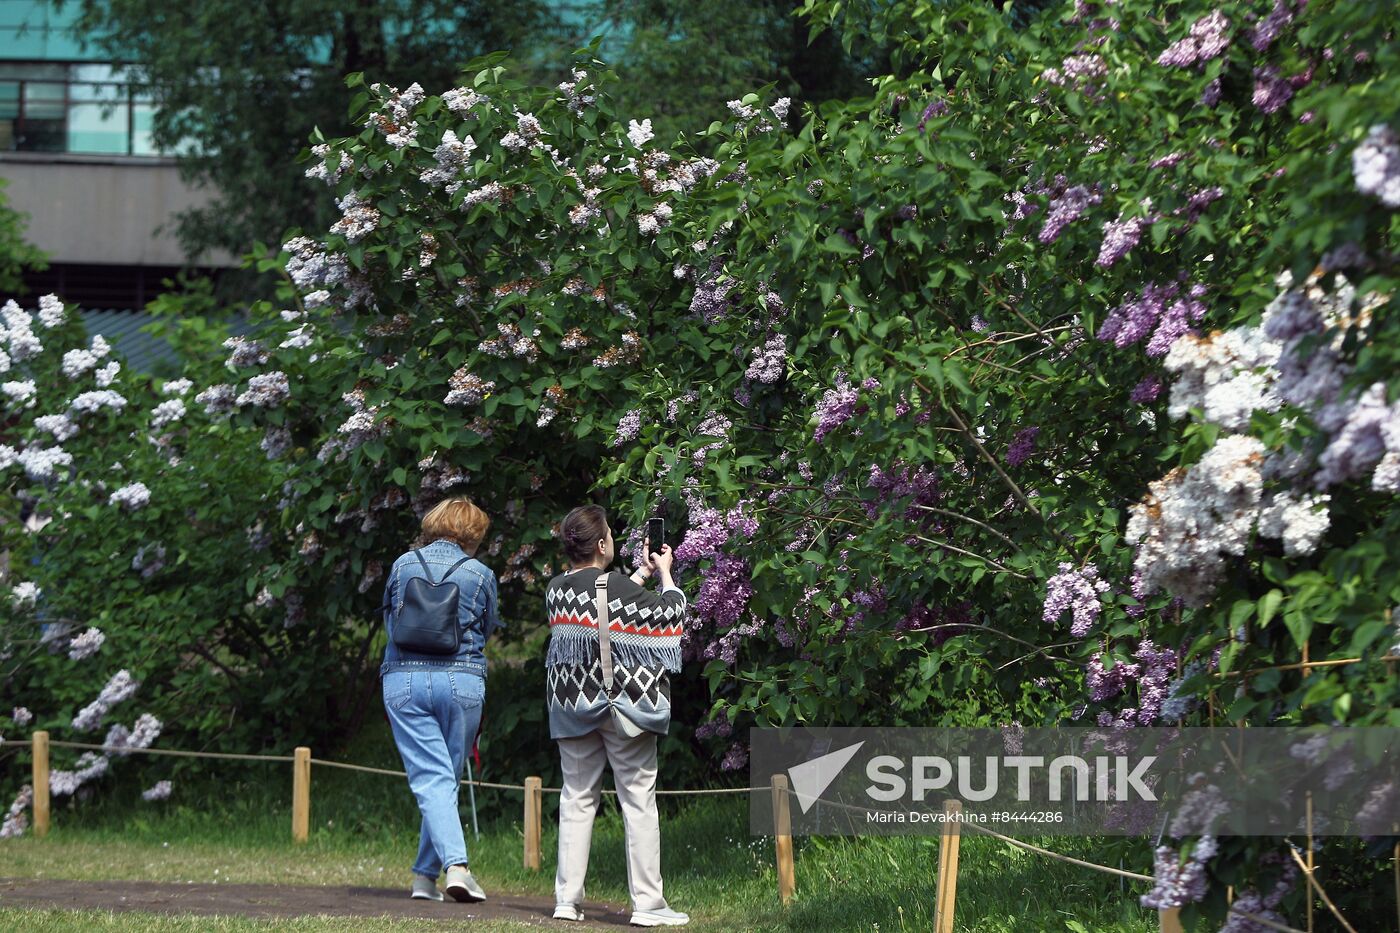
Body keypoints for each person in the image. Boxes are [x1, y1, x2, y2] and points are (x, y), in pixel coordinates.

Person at [544, 505, 690, 927]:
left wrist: (639, 575)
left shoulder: (556, 589)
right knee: (638, 801)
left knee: (576, 798)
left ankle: (566, 900)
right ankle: (648, 905)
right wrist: (664, 574)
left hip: (572, 706)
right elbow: (670, 617)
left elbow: (603, 608)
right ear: (604, 544)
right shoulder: (618, 588)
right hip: (622, 708)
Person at [380, 496, 501, 903]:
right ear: (474, 533)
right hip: (461, 683)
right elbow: (485, 630)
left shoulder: (402, 565)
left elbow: (390, 622)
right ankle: (457, 868)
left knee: (435, 781)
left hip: (404, 681)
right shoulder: (481, 574)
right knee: (441, 779)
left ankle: (424, 877)